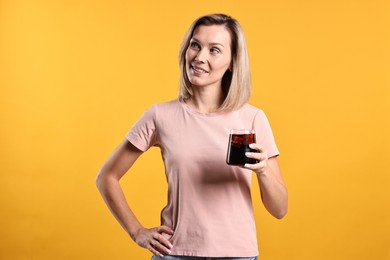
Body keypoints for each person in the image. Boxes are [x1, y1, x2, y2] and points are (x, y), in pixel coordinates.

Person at [96, 13, 288, 260]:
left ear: (233, 61)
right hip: (176, 253)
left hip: (237, 255)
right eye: (195, 45)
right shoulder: (160, 115)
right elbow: (107, 177)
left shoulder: (252, 118)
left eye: (214, 50)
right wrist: (137, 232)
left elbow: (280, 209)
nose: (200, 57)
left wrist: (263, 172)